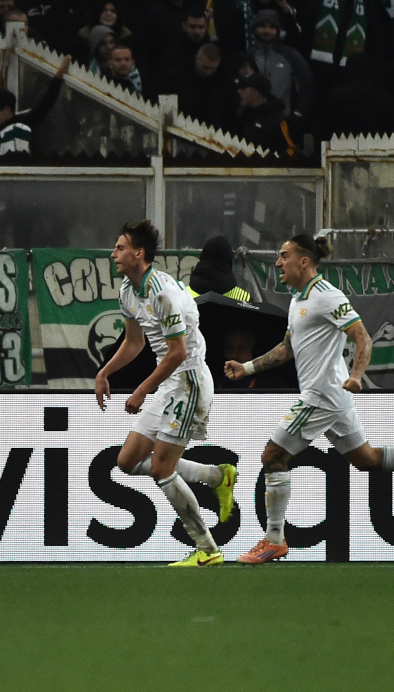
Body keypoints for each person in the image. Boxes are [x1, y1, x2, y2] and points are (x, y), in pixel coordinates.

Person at [226, 234, 394, 563]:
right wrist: (247, 367)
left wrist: (356, 376)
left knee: (273, 456)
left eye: (284, 255)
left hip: (322, 395)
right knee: (366, 458)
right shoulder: (299, 299)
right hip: (332, 397)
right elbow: (287, 348)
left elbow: (362, 337)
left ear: (304, 261)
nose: (278, 262)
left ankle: (274, 540)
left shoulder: (327, 295)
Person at [95, 219, 238, 568]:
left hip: (188, 380)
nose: (114, 253)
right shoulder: (128, 291)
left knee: (161, 469)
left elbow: (177, 354)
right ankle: (217, 477)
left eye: (120, 247)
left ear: (138, 253)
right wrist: (104, 372)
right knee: (127, 462)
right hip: (169, 382)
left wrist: (143, 389)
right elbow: (134, 342)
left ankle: (207, 548)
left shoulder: (163, 293)